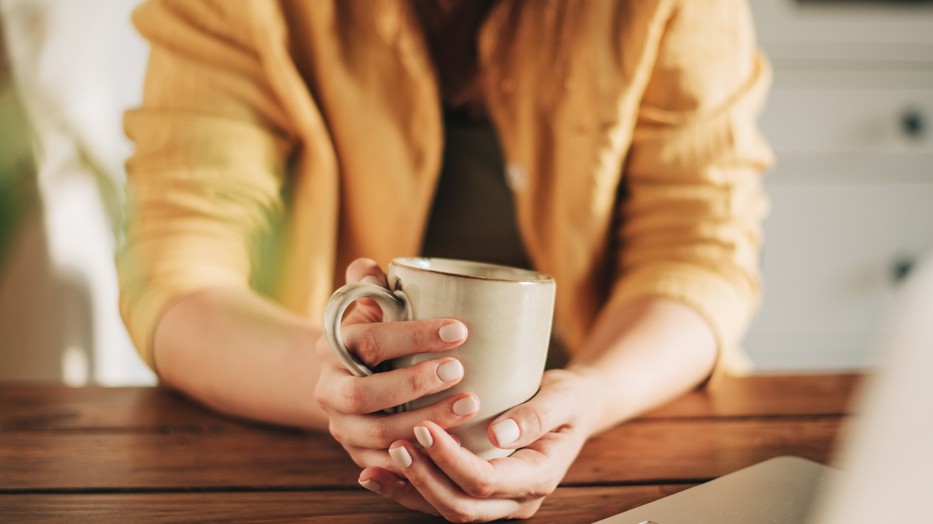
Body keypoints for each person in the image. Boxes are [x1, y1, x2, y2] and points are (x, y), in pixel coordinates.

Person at [118, 0, 773, 520]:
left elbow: (695, 252)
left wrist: (592, 396)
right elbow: (176, 274)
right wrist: (344, 387)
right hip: (308, 450)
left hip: (625, 421)